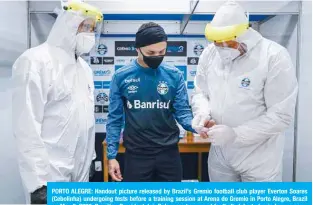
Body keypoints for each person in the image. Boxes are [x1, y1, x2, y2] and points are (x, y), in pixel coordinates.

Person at [191, 0, 298, 182]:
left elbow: (281, 116)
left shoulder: (273, 56)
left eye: (229, 43)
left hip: (260, 158)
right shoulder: (209, 54)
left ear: (244, 36)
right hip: (220, 155)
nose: (222, 48)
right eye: (218, 43)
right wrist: (202, 112)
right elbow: (201, 92)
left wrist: (236, 134)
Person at [12, 1, 102, 203]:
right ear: (68, 24)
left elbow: (86, 121)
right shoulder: (35, 61)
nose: (89, 33)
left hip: (79, 176)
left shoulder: (84, 69)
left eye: (93, 29)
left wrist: (90, 160)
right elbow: (26, 126)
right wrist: (38, 183)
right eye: (85, 27)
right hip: (50, 176)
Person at [106, 22, 196, 182]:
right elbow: (114, 119)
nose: (157, 56)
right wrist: (111, 156)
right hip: (136, 155)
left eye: (162, 51)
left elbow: (183, 113)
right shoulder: (121, 77)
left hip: (169, 153)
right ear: (138, 48)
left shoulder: (174, 75)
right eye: (151, 52)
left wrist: (198, 126)